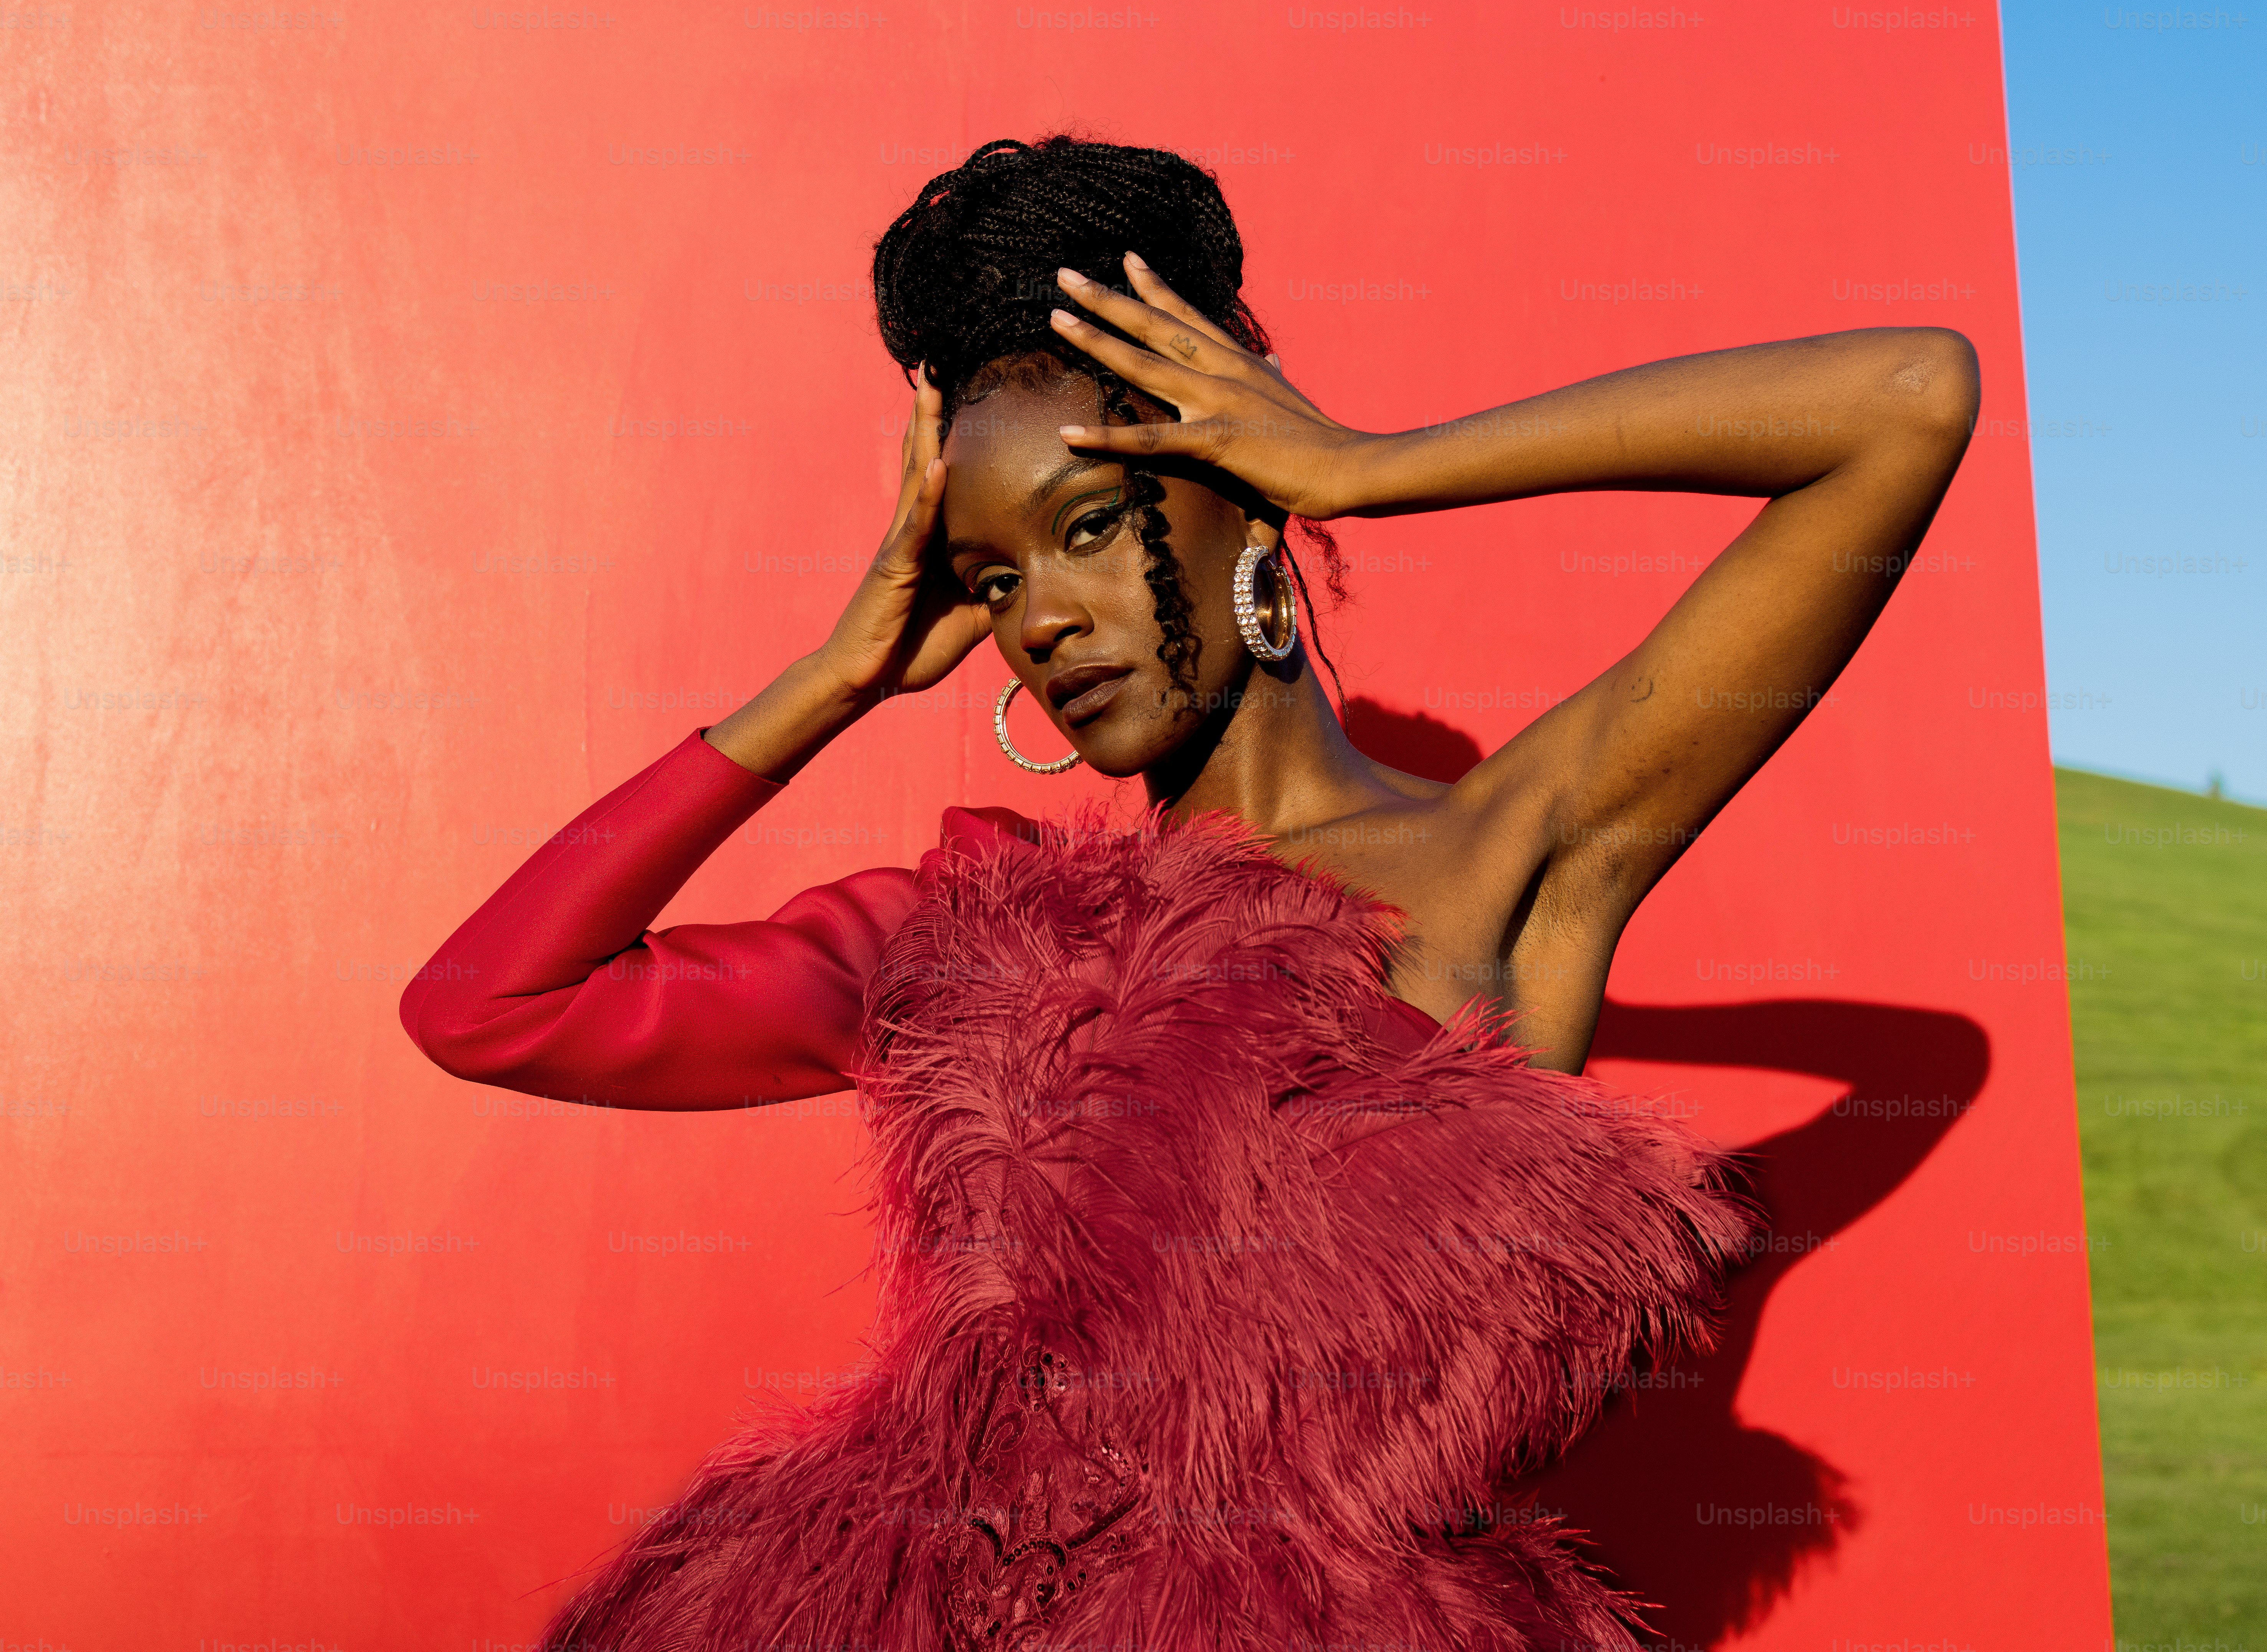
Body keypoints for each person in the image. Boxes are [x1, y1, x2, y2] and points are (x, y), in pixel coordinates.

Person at [401, 136, 1979, 1650]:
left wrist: (1370, 468)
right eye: (994, 577)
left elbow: (1903, 401)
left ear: (1242, 497)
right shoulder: (965, 947)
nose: (1046, 621)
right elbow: (491, 1007)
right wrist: (830, 680)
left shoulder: (1510, 857)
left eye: (1086, 530)